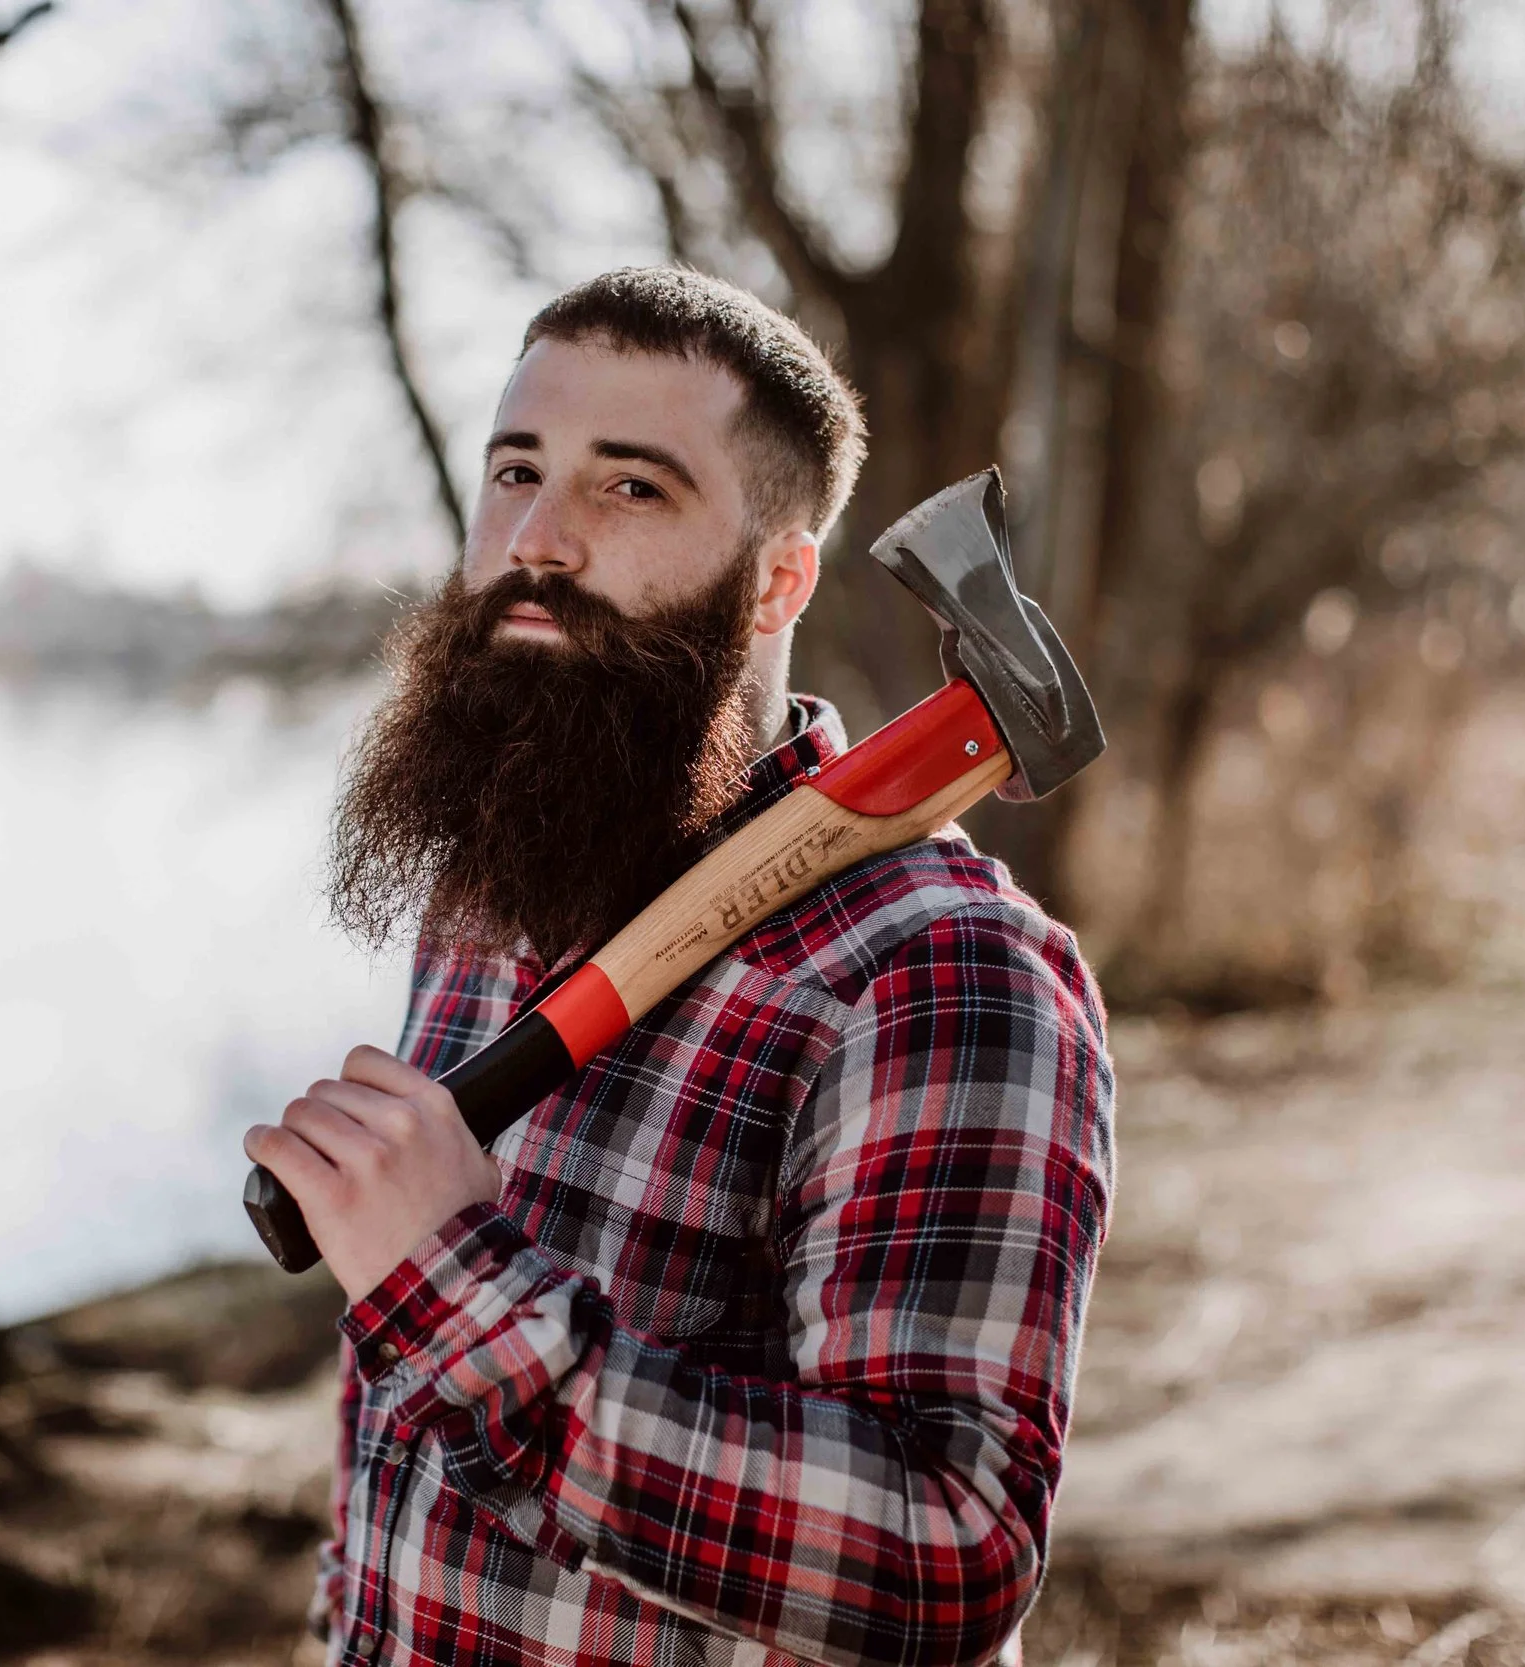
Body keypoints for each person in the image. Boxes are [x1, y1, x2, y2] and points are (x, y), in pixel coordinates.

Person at [242, 266, 1114, 1667]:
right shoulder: (496, 878)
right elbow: (407, 1459)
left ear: (780, 578)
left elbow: (949, 1556)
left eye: (629, 489)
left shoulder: (939, 970)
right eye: (515, 470)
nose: (537, 539)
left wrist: (458, 1284)